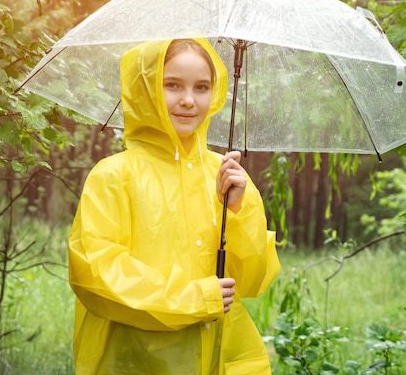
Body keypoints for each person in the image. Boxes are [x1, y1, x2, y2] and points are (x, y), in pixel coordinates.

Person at [67, 38, 280, 374]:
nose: (188, 100)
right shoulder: (113, 176)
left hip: (222, 358)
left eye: (201, 87)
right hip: (132, 360)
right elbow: (97, 277)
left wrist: (238, 213)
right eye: (172, 85)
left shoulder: (226, 176)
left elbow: (252, 281)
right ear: (146, 89)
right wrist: (197, 298)